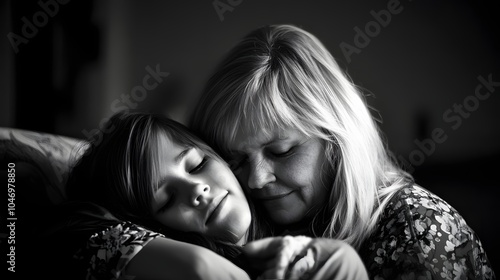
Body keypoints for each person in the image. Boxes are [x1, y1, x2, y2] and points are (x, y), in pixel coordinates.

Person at [190, 24, 496, 279]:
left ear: (337, 139)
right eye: (237, 159)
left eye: (281, 151)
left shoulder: (418, 230)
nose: (255, 180)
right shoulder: (268, 228)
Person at [43, 111, 369, 280]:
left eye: (197, 164)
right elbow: (64, 232)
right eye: (167, 200)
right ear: (147, 227)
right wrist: (194, 263)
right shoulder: (172, 268)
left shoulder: (299, 226)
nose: (196, 191)